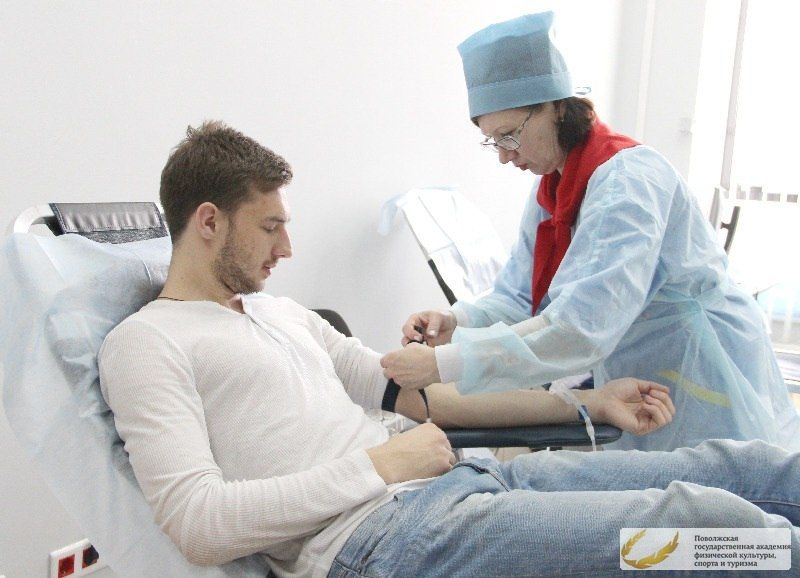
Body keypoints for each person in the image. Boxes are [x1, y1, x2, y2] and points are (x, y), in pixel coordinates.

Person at [98, 121, 800, 578]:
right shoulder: (148, 343)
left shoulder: (283, 315)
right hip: (385, 540)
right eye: (270, 226)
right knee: (701, 530)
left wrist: (590, 403)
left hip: (461, 485)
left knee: (732, 469)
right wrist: (381, 464)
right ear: (209, 222)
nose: (288, 247)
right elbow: (199, 523)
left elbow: (428, 399)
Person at [381, 11, 800, 452]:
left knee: (720, 479)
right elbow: (522, 297)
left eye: (509, 135)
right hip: (641, 362)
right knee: (655, 481)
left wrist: (445, 364)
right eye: (493, 142)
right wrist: (457, 322)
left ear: (558, 107)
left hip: (700, 360)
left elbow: (580, 328)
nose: (504, 156)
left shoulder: (628, 183)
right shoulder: (553, 188)